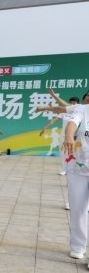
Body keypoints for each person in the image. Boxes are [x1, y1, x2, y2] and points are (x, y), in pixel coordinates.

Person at [36, 99, 87, 262]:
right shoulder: (82, 109)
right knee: (78, 208)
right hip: (80, 167)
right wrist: (69, 136)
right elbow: (72, 121)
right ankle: (78, 245)